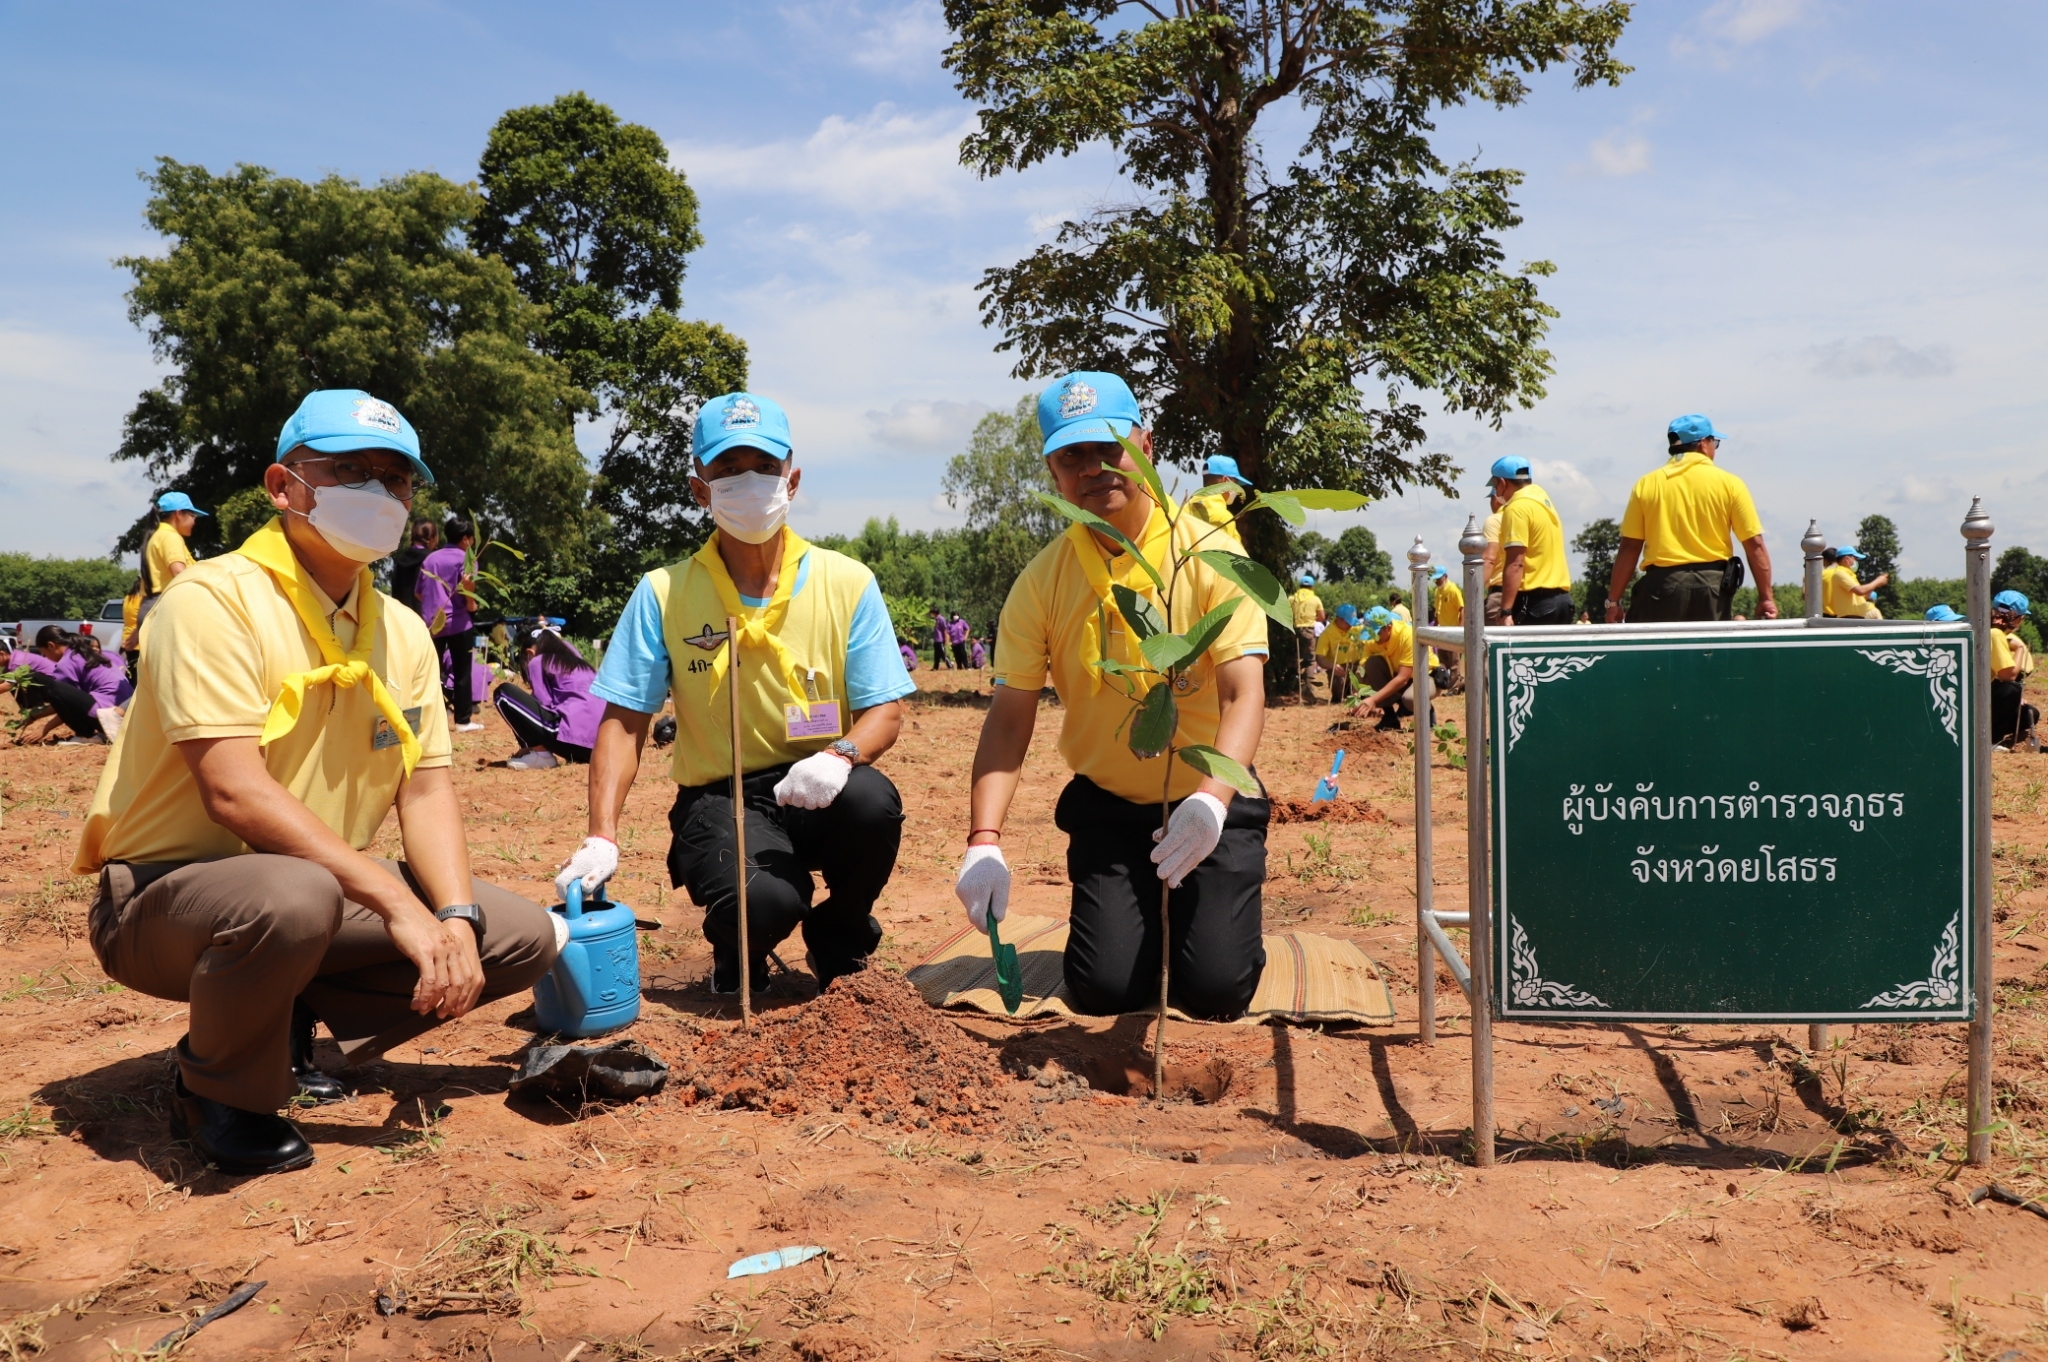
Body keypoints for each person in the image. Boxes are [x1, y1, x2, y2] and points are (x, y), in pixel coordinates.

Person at [73, 388, 557, 1176]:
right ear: (283, 486)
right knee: (295, 897)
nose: (377, 493)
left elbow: (426, 789)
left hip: (317, 889)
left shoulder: (399, 630)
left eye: (395, 479)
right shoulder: (211, 600)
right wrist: (399, 904)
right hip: (170, 898)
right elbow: (232, 791)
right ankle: (215, 1085)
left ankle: (277, 1014)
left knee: (516, 935)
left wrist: (456, 918)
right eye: (349, 471)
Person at [554, 391, 916, 995]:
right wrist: (601, 832)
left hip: (820, 781)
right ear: (701, 489)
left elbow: (885, 710)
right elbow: (624, 722)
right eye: (727, 471)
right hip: (722, 797)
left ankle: (842, 933)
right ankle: (736, 944)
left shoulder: (848, 582)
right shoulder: (664, 593)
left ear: (791, 479)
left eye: (764, 469)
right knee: (768, 900)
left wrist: (839, 756)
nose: (749, 483)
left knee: (872, 804)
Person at [955, 371, 1270, 1020]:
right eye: (1072, 456)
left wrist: (1212, 803)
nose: (1094, 469)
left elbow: (1244, 692)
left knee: (1217, 990)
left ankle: (1206, 922)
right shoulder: (1042, 583)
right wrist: (983, 838)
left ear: (1146, 446)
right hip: (1111, 812)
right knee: (1104, 992)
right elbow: (1010, 721)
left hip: (1211, 799)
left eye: (1109, 448)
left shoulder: (1208, 553)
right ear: (1052, 470)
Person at [1605, 415, 1775, 624]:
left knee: (1656, 655)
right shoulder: (1730, 484)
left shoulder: (1646, 484)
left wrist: (1613, 602)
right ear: (1704, 444)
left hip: (1661, 586)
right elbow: (1754, 544)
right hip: (1713, 589)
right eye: (1715, 442)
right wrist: (1766, 597)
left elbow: (1630, 547)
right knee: (1710, 654)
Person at [493, 626, 603, 770]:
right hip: (599, 747)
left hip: (571, 739)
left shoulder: (538, 660)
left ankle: (539, 755)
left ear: (530, 653)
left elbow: (543, 702)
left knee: (503, 694)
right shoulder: (582, 665)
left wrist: (527, 741)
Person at [416, 517, 484, 732]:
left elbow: (418, 592)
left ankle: (428, 720)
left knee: (430, 672)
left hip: (432, 623)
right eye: (472, 540)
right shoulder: (467, 559)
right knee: (462, 671)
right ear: (465, 539)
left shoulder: (430, 559)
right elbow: (468, 589)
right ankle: (463, 720)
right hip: (458, 622)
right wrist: (471, 605)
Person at [1490, 457, 1574, 627]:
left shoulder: (1516, 508)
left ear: (1502, 482)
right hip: (1563, 602)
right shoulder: (1545, 504)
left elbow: (1516, 562)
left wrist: (1505, 610)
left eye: (1495, 485)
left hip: (1534, 603)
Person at [4, 625, 107, 745]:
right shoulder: (79, 654)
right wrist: (34, 716)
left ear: (51, 646)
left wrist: (44, 728)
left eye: (44, 653)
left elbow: (70, 705)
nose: (46, 658)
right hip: (117, 714)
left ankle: (85, 735)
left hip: (107, 717)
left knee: (47, 684)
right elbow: (73, 701)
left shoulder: (66, 665)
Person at [136, 492, 208, 652]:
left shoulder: (155, 535)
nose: (194, 521)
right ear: (178, 514)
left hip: (151, 606)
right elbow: (178, 572)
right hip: (166, 608)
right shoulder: (170, 536)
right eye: (192, 515)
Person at [1350, 606, 1435, 731]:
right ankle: (1389, 718)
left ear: (1388, 627)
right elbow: (1361, 669)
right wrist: (1355, 695)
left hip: (1424, 677)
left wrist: (1373, 699)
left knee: (1410, 698)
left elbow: (1403, 678)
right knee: (1372, 663)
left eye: (1377, 633)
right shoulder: (1374, 640)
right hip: (1398, 676)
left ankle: (1428, 716)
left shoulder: (1407, 636)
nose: (1374, 638)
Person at [57, 631, 133, 744]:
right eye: (91, 646)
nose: (96, 649)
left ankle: (85, 735)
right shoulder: (96, 662)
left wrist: (43, 727)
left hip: (112, 710)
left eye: (97, 647)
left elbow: (72, 702)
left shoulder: (100, 661)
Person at [1991, 591, 2039, 751]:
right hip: (1978, 699)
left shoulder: (1990, 631)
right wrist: (2019, 649)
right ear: (2018, 618)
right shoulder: (1996, 634)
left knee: (2030, 713)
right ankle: (1992, 740)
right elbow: (2009, 675)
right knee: (2012, 689)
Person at [1185, 454, 1252, 548]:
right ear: (1225, 481)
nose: (1238, 490)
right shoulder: (1223, 518)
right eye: (1236, 483)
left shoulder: (1185, 508)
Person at [1315, 603, 1363, 705]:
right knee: (1337, 680)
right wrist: (1332, 666)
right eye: (1348, 622)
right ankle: (1338, 696)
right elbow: (1320, 658)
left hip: (1356, 665)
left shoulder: (1357, 628)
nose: (1351, 625)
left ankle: (1358, 694)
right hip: (1339, 668)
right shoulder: (1327, 634)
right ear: (1339, 619)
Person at [390, 519, 441, 613]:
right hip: (424, 619)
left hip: (401, 617)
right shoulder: (432, 560)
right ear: (432, 538)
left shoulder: (401, 560)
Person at [1823, 546, 1886, 619]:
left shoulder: (1848, 574)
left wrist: (1875, 585)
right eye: (1855, 559)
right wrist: (1878, 581)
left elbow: (1862, 597)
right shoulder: (1840, 573)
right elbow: (1860, 591)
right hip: (1849, 617)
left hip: (1855, 617)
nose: (1856, 562)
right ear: (1847, 559)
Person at [1430, 565, 1465, 690]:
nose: (1437, 581)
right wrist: (1435, 626)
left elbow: (1462, 609)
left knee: (1454, 661)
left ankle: (1455, 687)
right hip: (1442, 630)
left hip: (1453, 630)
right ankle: (1446, 682)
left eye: (1439, 579)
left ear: (1446, 577)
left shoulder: (1453, 590)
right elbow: (1437, 611)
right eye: (1435, 579)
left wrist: (1460, 629)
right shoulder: (1437, 591)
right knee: (1443, 659)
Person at [1290, 572, 1324, 701]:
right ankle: (1308, 688)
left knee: (1293, 658)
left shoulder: (1292, 598)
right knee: (1310, 660)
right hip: (1308, 631)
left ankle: (1291, 684)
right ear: (1312, 587)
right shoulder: (1315, 599)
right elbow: (1321, 618)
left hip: (1293, 630)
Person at [1482, 488, 1507, 625]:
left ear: (1496, 499)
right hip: (1525, 595)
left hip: (1499, 594)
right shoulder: (1522, 516)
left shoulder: (1494, 520)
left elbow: (1489, 559)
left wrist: (1475, 592)